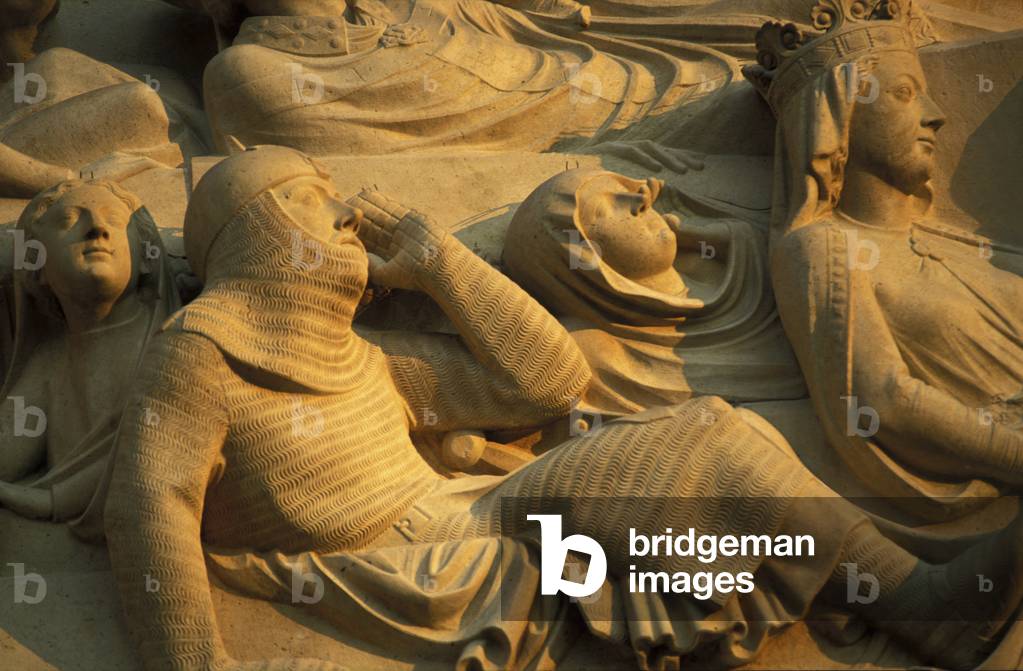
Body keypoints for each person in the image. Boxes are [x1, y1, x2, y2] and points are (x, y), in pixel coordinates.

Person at [105, 144, 1023, 671]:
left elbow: (542, 382)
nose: (347, 214)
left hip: (476, 518)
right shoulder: (197, 355)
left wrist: (438, 261)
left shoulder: (365, 360)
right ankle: (921, 602)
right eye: (316, 201)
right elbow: (152, 505)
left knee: (711, 437)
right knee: (707, 435)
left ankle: (894, 592)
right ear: (261, 227)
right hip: (416, 557)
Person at [502, 168, 805, 416]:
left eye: (629, 191)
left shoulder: (749, 268)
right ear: (581, 261)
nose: (641, 202)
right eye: (605, 209)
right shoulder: (600, 357)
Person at [0, 179, 180, 535]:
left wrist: (52, 500)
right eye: (69, 220)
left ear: (146, 257)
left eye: (114, 220)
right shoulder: (49, 365)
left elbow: (168, 449)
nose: (97, 229)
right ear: (37, 266)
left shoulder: (177, 341)